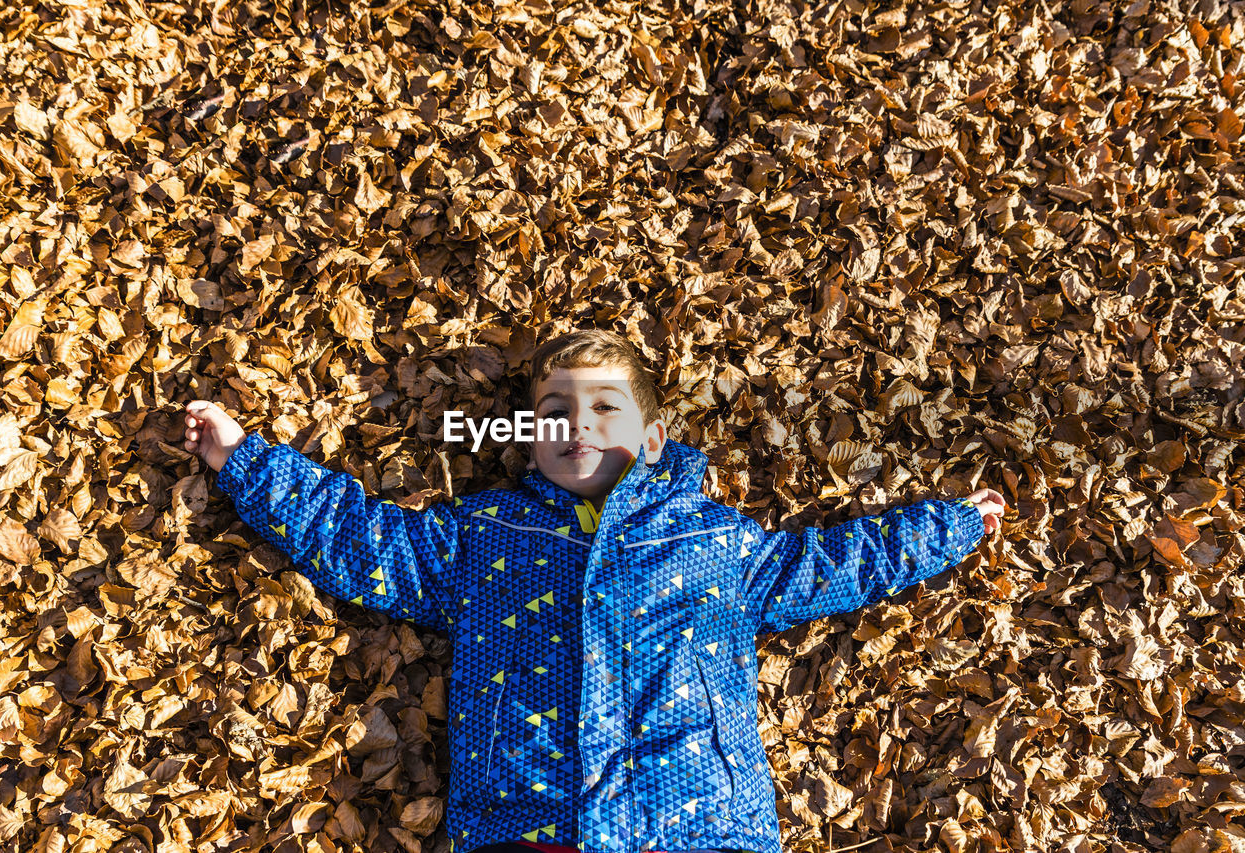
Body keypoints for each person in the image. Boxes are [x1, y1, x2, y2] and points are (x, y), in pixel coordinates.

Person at [181, 329, 1006, 853]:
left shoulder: (715, 542)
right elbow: (365, 538)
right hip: (527, 821)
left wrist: (951, 526)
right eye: (551, 410)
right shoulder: (484, 536)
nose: (572, 423)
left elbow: (835, 563)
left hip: (696, 825)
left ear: (653, 440)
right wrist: (245, 460)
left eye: (601, 407)